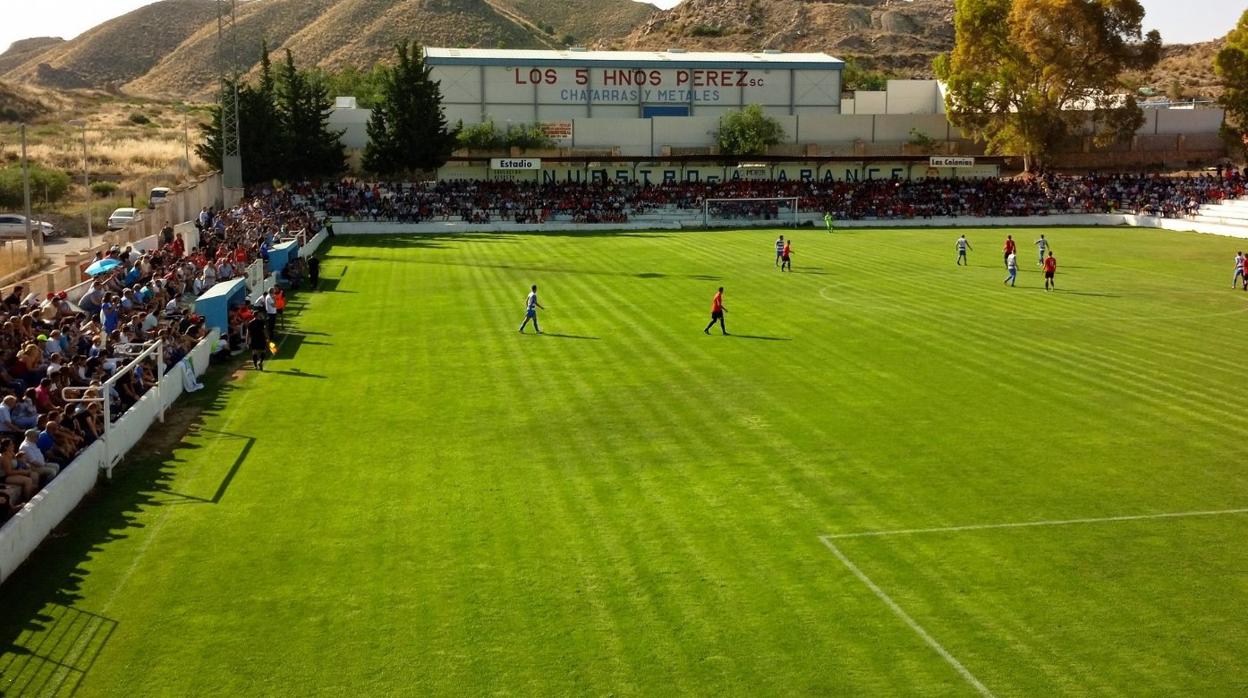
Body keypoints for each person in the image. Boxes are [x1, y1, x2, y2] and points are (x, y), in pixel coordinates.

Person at [247, 306, 269, 371]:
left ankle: (255, 365)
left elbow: (248, 333)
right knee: (263, 351)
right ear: (257, 315)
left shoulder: (250, 323)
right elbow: (264, 330)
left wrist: (247, 341)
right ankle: (260, 362)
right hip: (261, 338)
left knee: (254, 352)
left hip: (254, 339)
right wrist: (267, 338)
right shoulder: (261, 322)